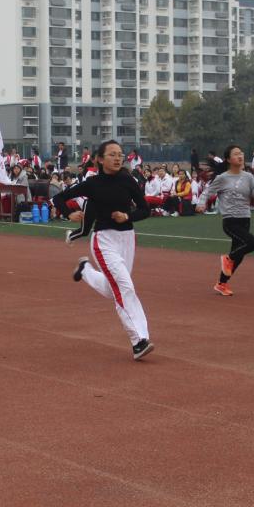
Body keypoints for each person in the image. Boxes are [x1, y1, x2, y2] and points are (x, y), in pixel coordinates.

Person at [52, 140, 154, 361]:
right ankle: (139, 340)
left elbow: (145, 209)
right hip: (104, 241)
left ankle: (85, 270)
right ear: (99, 159)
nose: (118, 158)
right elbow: (58, 198)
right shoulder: (92, 183)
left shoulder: (127, 180)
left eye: (120, 154)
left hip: (127, 239)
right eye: (112, 154)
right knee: (124, 287)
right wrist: (68, 213)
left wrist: (127, 216)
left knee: (112, 288)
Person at [196, 145, 254, 296]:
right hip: (230, 221)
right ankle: (228, 258)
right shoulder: (222, 178)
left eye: (241, 153)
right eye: (236, 154)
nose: (240, 156)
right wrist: (201, 203)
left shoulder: (249, 177)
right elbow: (207, 192)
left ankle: (221, 284)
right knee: (252, 243)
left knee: (238, 255)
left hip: (245, 219)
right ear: (228, 159)